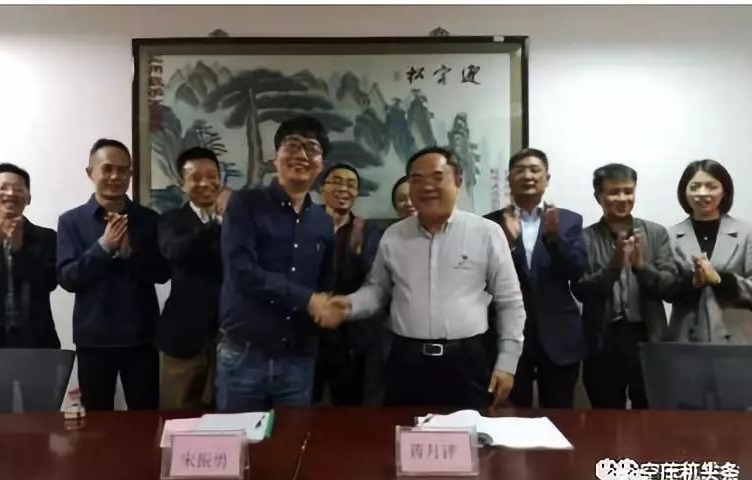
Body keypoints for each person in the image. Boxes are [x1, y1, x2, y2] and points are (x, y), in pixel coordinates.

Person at [317, 147, 526, 408]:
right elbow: (378, 290)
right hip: (406, 361)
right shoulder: (394, 235)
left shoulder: (486, 233)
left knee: (464, 432)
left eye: (437, 177)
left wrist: (507, 362)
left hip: (466, 361)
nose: (427, 187)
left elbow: (510, 302)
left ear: (458, 181)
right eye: (417, 179)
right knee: (404, 431)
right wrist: (348, 305)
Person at [216, 116, 335, 412]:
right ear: (275, 157)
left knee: (292, 438)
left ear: (321, 164)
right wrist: (308, 300)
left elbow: (324, 282)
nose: (302, 155)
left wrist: (331, 306)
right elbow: (242, 271)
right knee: (237, 436)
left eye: (312, 149)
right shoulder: (245, 203)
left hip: (297, 359)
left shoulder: (322, 220)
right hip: (244, 354)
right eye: (292, 145)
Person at [57, 138, 170, 411]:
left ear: (130, 174)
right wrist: (102, 248)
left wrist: (131, 254)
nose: (115, 176)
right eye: (107, 169)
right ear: (90, 173)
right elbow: (68, 279)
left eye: (123, 170)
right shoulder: (71, 221)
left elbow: (162, 273)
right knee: (97, 419)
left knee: (145, 416)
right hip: (94, 338)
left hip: (142, 337)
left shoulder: (148, 219)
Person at [484, 148, 587, 408]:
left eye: (535, 170)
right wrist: (507, 244)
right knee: (510, 416)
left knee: (559, 416)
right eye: (520, 170)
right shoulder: (490, 224)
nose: (528, 176)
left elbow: (578, 272)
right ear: (509, 179)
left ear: (547, 178)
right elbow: (482, 281)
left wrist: (554, 240)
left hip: (559, 336)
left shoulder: (568, 220)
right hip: (509, 337)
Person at [574, 163, 677, 410]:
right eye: (613, 192)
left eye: (628, 191)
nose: (622, 198)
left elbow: (669, 287)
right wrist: (614, 267)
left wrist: (641, 266)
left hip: (647, 336)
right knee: (606, 415)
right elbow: (581, 289)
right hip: (603, 339)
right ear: (598, 196)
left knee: (649, 413)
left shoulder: (656, 233)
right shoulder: (584, 238)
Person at [0, 163, 60, 350]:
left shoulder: (47, 237)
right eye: (3, 188)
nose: (11, 193)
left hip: (36, 339)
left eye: (18, 189)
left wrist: (19, 251)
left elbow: (49, 283)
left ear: (28, 197)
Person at [156, 147, 224, 410]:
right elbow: (175, 251)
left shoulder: (238, 220)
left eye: (212, 176)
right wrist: (215, 223)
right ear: (182, 184)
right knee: (176, 415)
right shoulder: (171, 220)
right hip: (183, 338)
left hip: (228, 338)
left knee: (225, 417)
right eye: (196, 178)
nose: (205, 183)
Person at [666, 159, 752, 344]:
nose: (702, 193)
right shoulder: (670, 235)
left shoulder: (747, 232)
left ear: (724, 191)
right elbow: (666, 290)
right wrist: (692, 282)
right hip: (686, 336)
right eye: (694, 187)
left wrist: (721, 281)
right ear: (684, 192)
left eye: (711, 186)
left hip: (736, 335)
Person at [312, 163, 384, 406]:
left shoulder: (367, 230)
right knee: (304, 404)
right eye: (336, 182)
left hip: (350, 334)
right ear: (321, 188)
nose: (343, 189)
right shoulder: (305, 222)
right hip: (309, 330)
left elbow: (376, 279)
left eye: (351, 185)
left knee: (348, 404)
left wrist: (358, 252)